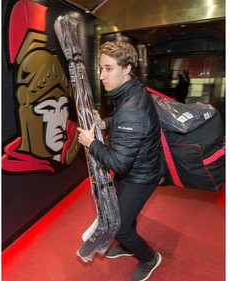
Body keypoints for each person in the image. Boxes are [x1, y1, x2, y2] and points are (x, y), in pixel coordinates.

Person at [77, 40, 164, 281]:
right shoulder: (133, 91)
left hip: (140, 175)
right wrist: (105, 123)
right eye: (101, 69)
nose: (103, 76)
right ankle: (127, 247)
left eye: (109, 68)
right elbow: (129, 123)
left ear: (126, 68)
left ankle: (149, 258)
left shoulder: (131, 108)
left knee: (119, 225)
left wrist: (91, 143)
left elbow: (119, 163)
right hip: (138, 169)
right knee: (122, 211)